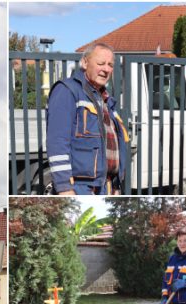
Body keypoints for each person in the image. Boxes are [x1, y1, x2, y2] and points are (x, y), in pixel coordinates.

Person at [46, 43, 131, 196]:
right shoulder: (67, 90)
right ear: (85, 63)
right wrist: (64, 188)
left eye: (110, 65)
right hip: (80, 188)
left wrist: (116, 186)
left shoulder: (106, 100)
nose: (106, 69)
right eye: (101, 63)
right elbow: (57, 142)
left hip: (106, 186)